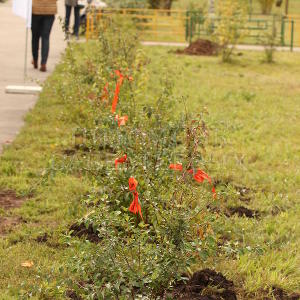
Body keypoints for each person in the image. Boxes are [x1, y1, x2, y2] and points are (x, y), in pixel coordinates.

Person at [31, 0, 57, 72]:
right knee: (45, 37)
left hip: (35, 10)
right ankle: (43, 63)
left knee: (35, 36)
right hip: (50, 10)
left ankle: (35, 60)